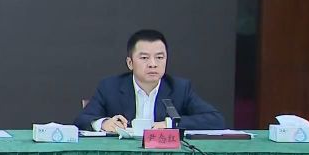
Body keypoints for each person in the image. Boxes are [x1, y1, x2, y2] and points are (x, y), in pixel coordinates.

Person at [74, 29, 225, 132]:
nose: (153, 64)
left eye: (159, 57)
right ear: (130, 63)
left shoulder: (179, 88)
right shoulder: (110, 87)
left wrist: (169, 124)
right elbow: (81, 120)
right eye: (144, 58)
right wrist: (104, 123)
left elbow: (215, 120)